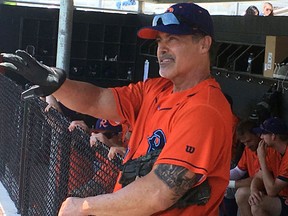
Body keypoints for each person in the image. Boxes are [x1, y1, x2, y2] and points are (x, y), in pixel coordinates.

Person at [0, 2, 233, 215]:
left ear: (204, 44)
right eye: (159, 40)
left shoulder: (204, 109)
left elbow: (159, 192)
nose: (161, 49)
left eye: (172, 39)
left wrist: (85, 206)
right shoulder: (157, 88)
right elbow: (98, 100)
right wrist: (59, 86)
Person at [243, 117, 288, 216]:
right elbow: (258, 176)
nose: (261, 137)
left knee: (257, 204)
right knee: (243, 194)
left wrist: (261, 159)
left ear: (273, 136)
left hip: (283, 198)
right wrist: (254, 190)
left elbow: (271, 191)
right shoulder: (273, 151)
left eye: (264, 133)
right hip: (281, 196)